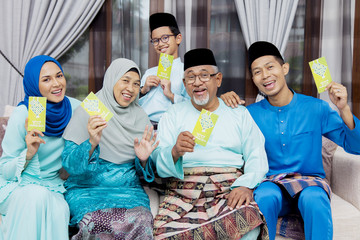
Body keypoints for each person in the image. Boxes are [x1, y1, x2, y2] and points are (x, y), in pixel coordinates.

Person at [220, 41, 360, 240]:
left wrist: (344, 108)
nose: (265, 75)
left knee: (314, 199)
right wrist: (220, 105)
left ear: (284, 68)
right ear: (253, 78)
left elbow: (356, 146)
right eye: (257, 72)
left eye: (270, 67)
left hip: (311, 182)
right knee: (265, 197)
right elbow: (218, 143)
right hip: (270, 182)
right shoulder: (248, 114)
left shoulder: (316, 107)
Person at [150, 48, 269, 239]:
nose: (197, 82)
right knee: (165, 234)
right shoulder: (173, 114)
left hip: (227, 189)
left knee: (247, 222)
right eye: (191, 77)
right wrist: (174, 151)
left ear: (218, 79)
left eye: (204, 75)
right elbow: (157, 158)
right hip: (183, 190)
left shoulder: (238, 113)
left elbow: (256, 154)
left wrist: (245, 186)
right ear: (184, 83)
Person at [62, 58, 159, 240]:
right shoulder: (91, 108)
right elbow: (69, 165)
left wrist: (144, 159)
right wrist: (91, 142)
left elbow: (146, 170)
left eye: (136, 84)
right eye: (125, 80)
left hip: (128, 191)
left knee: (142, 218)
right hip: (87, 188)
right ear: (112, 79)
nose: (130, 88)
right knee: (94, 220)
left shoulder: (140, 116)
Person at [0, 55, 80, 240]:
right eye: (46, 79)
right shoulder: (24, 113)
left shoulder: (75, 107)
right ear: (34, 85)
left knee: (59, 209)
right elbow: (5, 170)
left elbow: (109, 110)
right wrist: (28, 153)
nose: (56, 84)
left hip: (53, 186)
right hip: (17, 186)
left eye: (59, 76)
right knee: (36, 197)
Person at [139, 12, 189, 128]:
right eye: (155, 40)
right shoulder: (149, 73)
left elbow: (195, 107)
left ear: (178, 38)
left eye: (165, 38)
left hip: (170, 129)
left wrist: (171, 95)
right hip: (144, 128)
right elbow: (132, 105)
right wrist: (143, 90)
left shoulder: (187, 72)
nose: (160, 44)